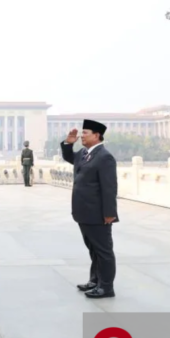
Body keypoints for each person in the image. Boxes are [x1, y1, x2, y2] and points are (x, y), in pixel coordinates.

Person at [61, 119, 118, 299]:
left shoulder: (104, 157)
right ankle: (95, 280)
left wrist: (109, 213)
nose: (81, 136)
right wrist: (67, 144)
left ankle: (106, 287)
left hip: (98, 214)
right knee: (93, 250)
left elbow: (109, 188)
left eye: (85, 133)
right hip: (83, 212)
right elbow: (70, 157)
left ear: (97, 135)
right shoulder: (84, 154)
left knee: (103, 251)